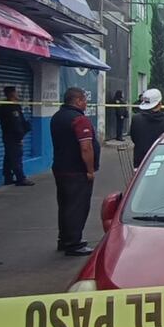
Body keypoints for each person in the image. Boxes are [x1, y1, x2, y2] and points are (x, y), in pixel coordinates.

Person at [50, 87, 100, 256]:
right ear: (78, 101)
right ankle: (73, 243)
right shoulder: (79, 120)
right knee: (77, 207)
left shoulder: (57, 117)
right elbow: (86, 148)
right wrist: (90, 170)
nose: (86, 103)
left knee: (64, 205)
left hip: (61, 168)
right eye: (84, 100)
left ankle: (64, 239)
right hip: (77, 171)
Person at [0, 86, 34, 186]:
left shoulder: (13, 105)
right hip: (12, 136)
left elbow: (20, 121)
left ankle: (8, 177)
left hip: (9, 136)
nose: (18, 94)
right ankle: (21, 178)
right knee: (16, 157)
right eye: (16, 92)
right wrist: (20, 137)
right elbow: (16, 124)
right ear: (12, 94)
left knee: (9, 157)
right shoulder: (9, 107)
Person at [130, 88, 164, 168]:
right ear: (160, 103)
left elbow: (134, 138)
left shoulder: (136, 119)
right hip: (161, 163)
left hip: (140, 162)